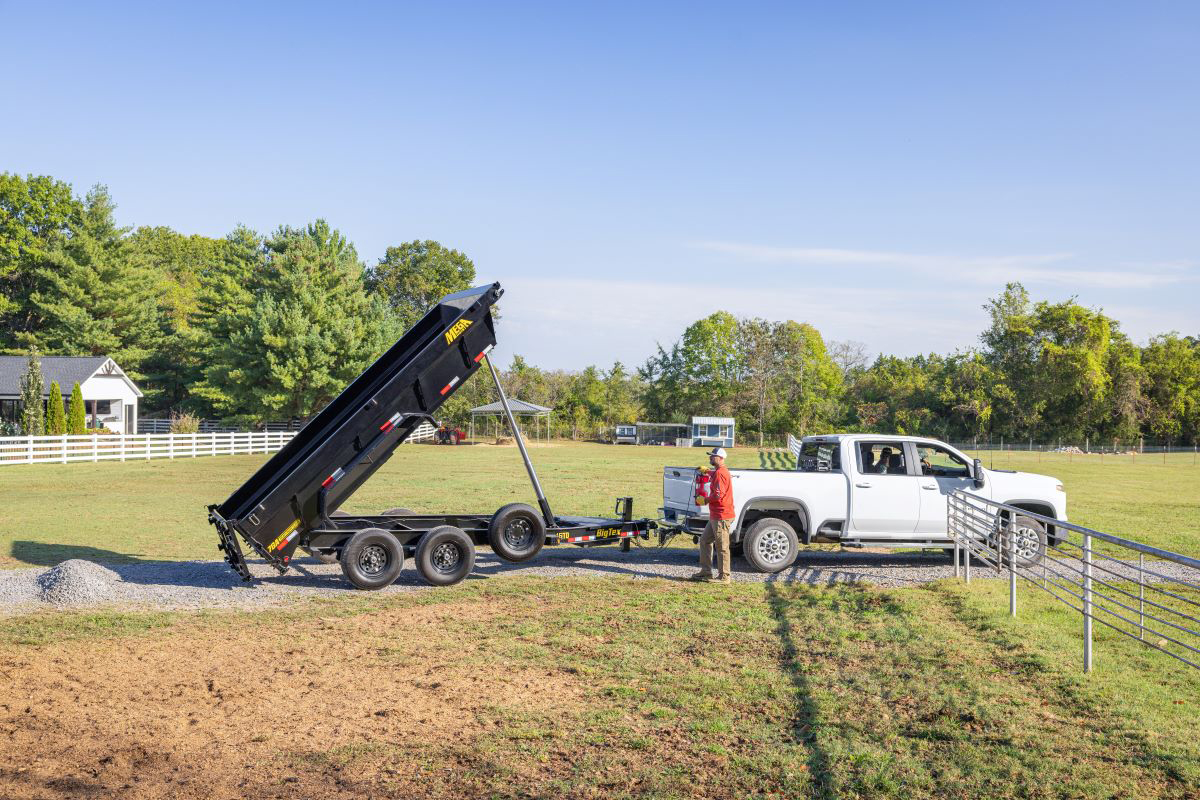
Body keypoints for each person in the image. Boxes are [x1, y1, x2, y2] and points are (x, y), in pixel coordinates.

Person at [691, 447, 734, 584]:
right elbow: (715, 476)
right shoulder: (718, 472)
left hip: (721, 516)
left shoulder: (720, 473)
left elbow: (717, 495)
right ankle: (706, 572)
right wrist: (707, 471)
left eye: (713, 456)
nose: (710, 458)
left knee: (722, 547)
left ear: (720, 458)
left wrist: (704, 500)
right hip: (716, 515)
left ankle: (725, 577)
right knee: (704, 541)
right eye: (710, 456)